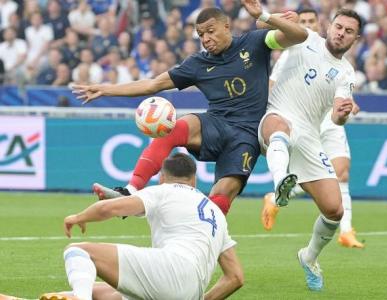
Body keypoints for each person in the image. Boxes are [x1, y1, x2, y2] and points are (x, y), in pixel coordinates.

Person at [72, 1, 308, 216]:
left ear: (227, 27)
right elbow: (152, 84)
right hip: (215, 124)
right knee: (174, 128)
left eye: (210, 31)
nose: (205, 39)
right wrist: (106, 89)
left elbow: (299, 36)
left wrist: (264, 15)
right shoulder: (197, 64)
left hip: (247, 136)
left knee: (219, 200)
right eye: (200, 34)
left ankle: (200, 239)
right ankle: (130, 190)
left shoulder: (255, 42)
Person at [0, 153, 244, 300]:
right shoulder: (215, 213)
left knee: (79, 252)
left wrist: (79, 217)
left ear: (161, 177)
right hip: (189, 291)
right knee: (97, 292)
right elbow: (235, 278)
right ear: (194, 180)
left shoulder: (163, 190)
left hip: (170, 269)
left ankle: (78, 298)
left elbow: (110, 209)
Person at [257, 8, 363, 291]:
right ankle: (280, 183)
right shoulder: (305, 38)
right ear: (329, 26)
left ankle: (309, 257)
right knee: (279, 130)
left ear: (356, 38)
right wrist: (266, 14)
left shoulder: (346, 73)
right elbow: (263, 31)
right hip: (276, 114)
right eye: (338, 26)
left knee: (334, 210)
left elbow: (338, 116)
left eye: (348, 31)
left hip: (309, 135)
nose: (341, 33)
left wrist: (343, 114)